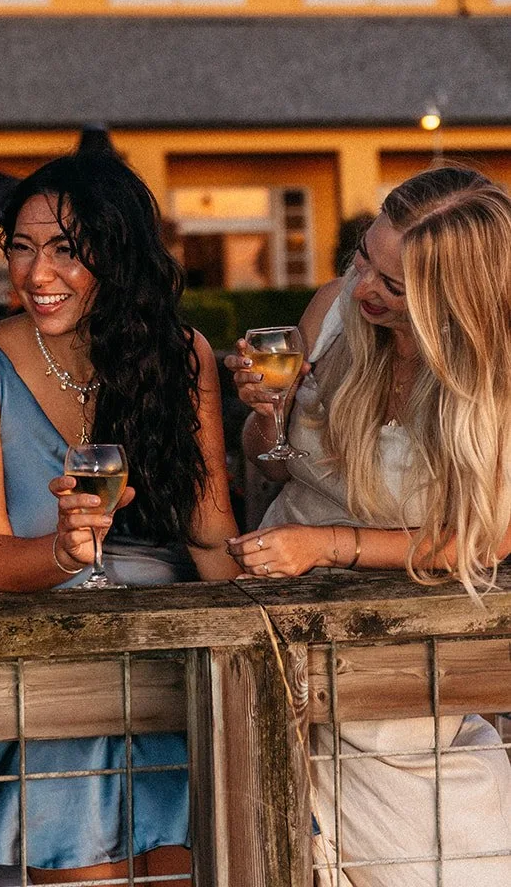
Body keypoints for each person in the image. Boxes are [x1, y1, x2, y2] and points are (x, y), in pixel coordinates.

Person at [0, 151, 240, 883]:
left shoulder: (179, 354)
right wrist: (64, 554)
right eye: (22, 247)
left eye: (66, 249)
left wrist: (254, 642)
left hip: (176, 666)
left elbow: (209, 530)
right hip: (59, 670)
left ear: (119, 250)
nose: (37, 274)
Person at [226, 165, 511, 885]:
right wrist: (265, 421)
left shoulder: (492, 381)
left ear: (454, 301)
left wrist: (329, 547)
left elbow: (483, 540)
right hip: (269, 630)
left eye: (392, 286)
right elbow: (275, 466)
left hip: (395, 665)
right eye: (363, 257)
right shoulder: (329, 316)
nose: (362, 290)